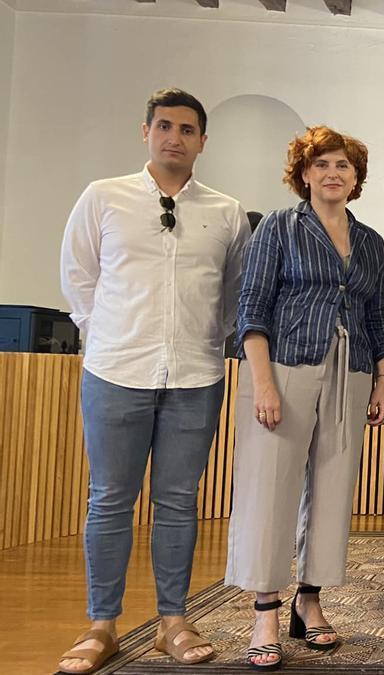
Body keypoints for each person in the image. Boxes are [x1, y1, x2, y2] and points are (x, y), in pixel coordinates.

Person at [57, 87, 250, 674]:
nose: (175, 137)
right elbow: (77, 276)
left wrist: (205, 342)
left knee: (177, 502)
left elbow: (234, 294)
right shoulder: (103, 197)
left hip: (194, 375)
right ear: (146, 131)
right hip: (115, 371)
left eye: (187, 129)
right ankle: (101, 625)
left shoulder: (226, 212)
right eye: (164, 126)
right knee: (110, 500)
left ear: (203, 141)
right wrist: (109, 335)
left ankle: (172, 620)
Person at [225, 125, 384, 671]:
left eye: (343, 165)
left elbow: (379, 319)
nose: (332, 173)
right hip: (283, 367)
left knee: (331, 488)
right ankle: (265, 610)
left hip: (348, 372)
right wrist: (264, 384)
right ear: (304, 174)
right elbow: (251, 308)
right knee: (270, 489)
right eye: (321, 164)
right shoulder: (278, 227)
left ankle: (311, 600)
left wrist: (379, 382)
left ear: (356, 178)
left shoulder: (370, 241)